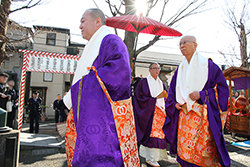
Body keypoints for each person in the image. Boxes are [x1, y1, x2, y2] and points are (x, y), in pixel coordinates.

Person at [63, 8, 139, 166]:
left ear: (97, 21)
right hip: (90, 116)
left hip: (104, 119)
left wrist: (84, 84)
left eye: (83, 21)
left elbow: (120, 73)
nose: (80, 26)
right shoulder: (95, 44)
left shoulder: (111, 41)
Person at [165, 35, 230, 166]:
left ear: (195, 45)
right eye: (179, 43)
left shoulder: (209, 67)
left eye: (185, 42)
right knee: (184, 154)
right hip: (184, 119)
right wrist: (174, 104)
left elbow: (221, 90)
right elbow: (172, 92)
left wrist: (203, 94)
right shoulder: (179, 69)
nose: (181, 45)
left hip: (204, 120)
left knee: (202, 155)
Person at [133, 63, 168, 167]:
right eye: (154, 68)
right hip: (149, 112)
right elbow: (139, 98)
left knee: (159, 135)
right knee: (152, 135)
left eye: (158, 68)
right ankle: (150, 158)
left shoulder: (161, 83)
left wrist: (164, 99)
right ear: (149, 70)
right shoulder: (143, 82)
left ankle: (156, 157)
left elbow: (165, 95)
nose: (157, 70)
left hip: (160, 112)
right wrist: (153, 100)